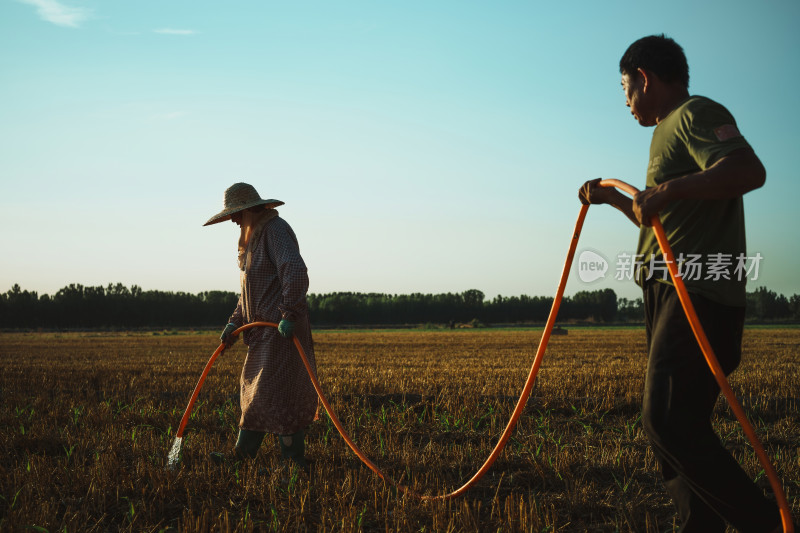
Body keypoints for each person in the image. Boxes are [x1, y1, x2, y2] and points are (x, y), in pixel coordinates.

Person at [579, 35, 781, 532]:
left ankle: (764, 525)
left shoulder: (694, 113)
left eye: (626, 89)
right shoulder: (666, 132)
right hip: (667, 290)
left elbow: (747, 169)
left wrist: (666, 190)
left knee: (666, 420)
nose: (626, 102)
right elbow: (658, 219)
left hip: (696, 291)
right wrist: (611, 197)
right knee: (672, 430)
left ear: (645, 77)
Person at [204, 182, 319, 473]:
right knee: (254, 394)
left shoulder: (275, 231)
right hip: (260, 333)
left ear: (252, 209)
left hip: (281, 331)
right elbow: (250, 293)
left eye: (237, 213)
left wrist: (289, 313)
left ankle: (294, 463)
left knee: (282, 394)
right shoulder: (253, 239)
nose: (232, 220)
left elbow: (294, 270)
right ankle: (242, 457)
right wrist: (235, 322)